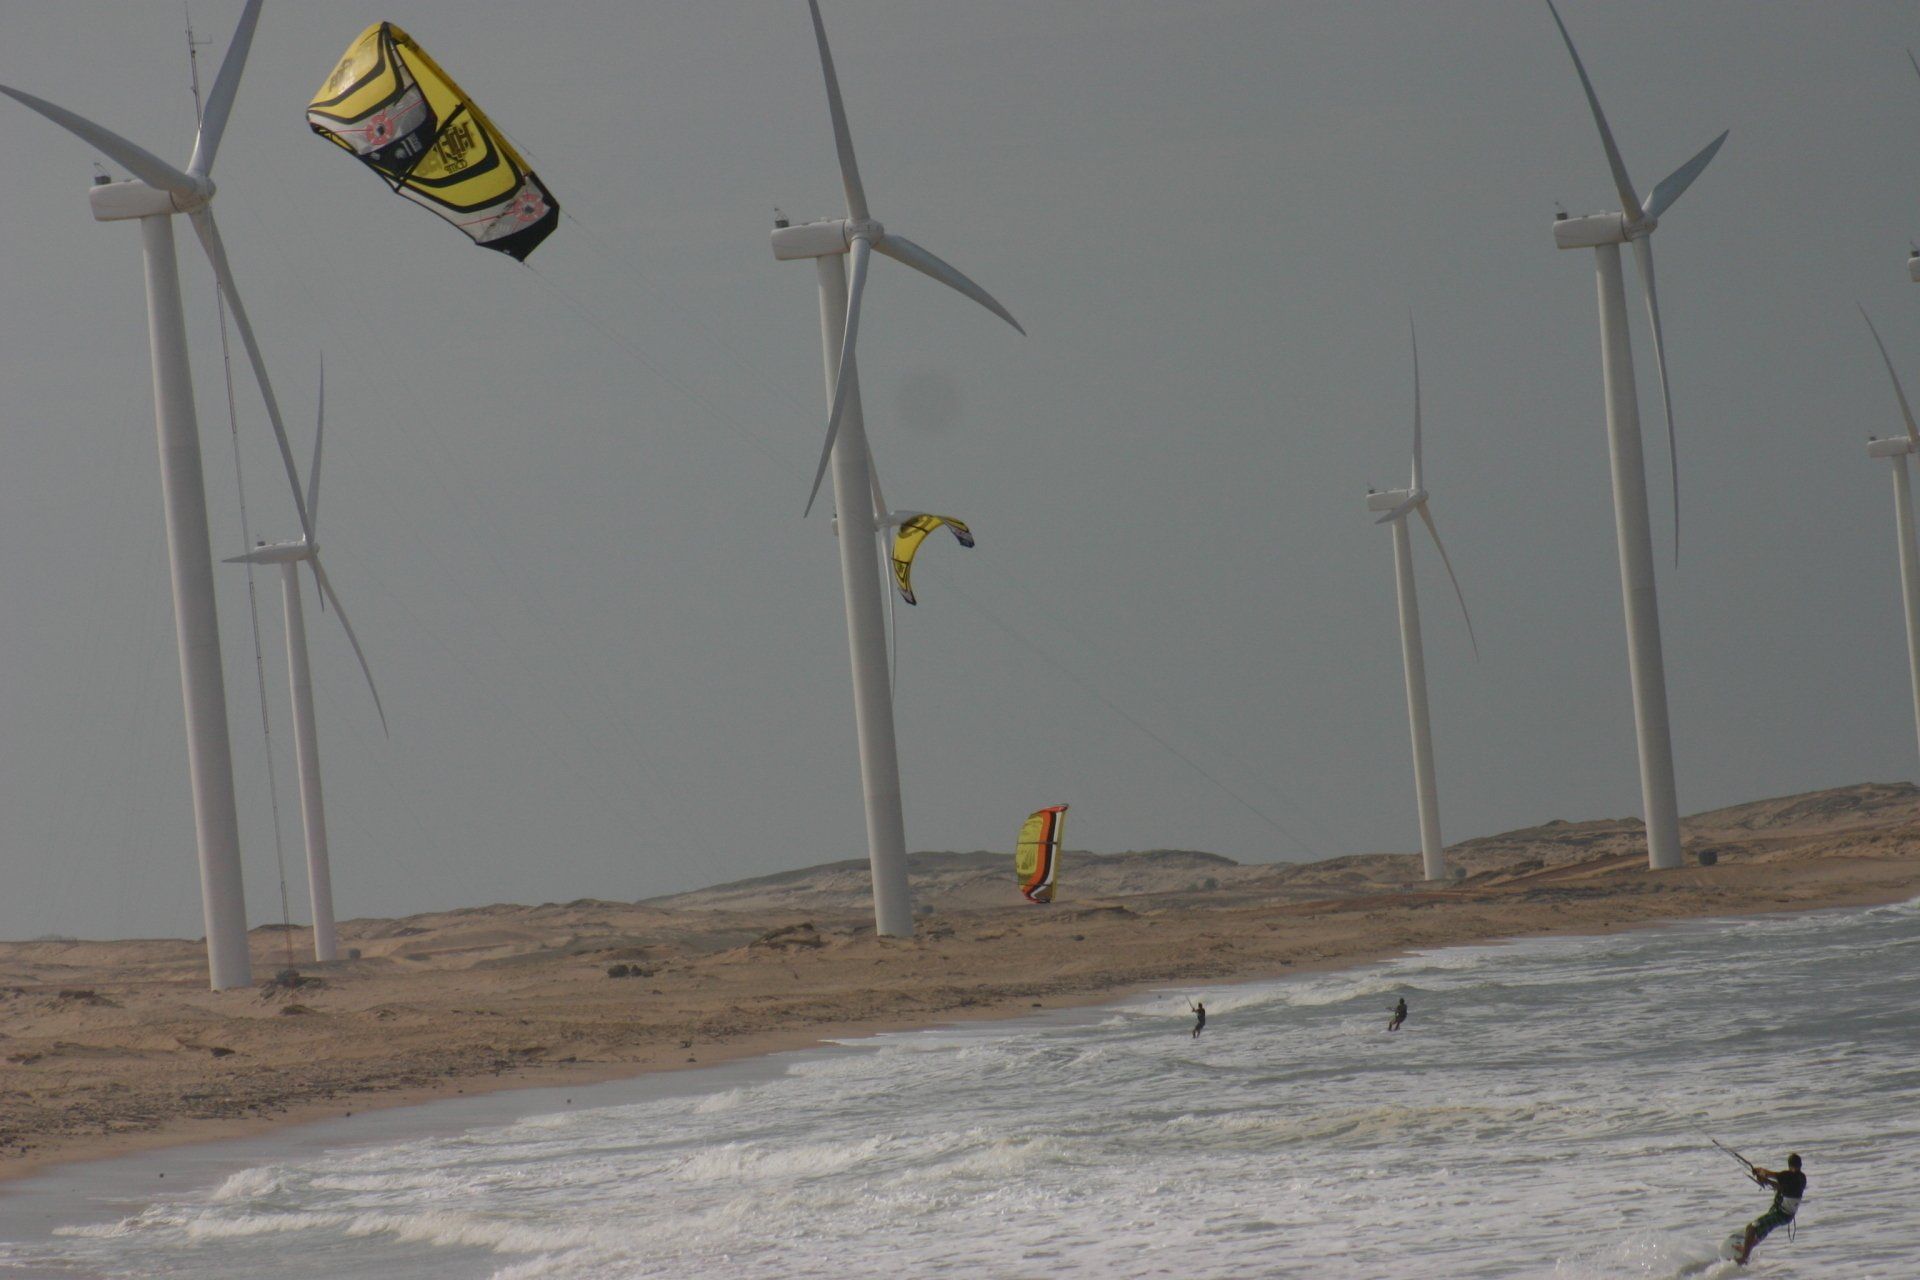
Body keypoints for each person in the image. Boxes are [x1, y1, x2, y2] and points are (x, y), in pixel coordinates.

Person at [1734, 1153, 1805, 1264]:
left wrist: (1762, 1175)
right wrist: (1763, 1177)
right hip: (1784, 1213)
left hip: (1782, 1213)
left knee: (1751, 1228)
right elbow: (1780, 1186)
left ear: (1790, 1165)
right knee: (1760, 1232)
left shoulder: (1790, 1176)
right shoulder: (1801, 1178)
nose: (1794, 1169)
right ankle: (1746, 1249)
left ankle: (1744, 1258)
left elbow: (1772, 1176)